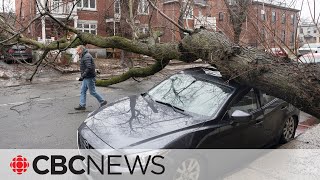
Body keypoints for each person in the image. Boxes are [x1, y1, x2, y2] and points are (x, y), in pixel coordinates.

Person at [74, 45, 107, 110]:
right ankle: (82, 105)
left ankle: (102, 101)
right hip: (86, 77)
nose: (77, 52)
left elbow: (88, 67)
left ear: (81, 50)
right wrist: (83, 76)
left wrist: (82, 76)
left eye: (77, 51)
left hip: (89, 77)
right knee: (83, 91)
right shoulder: (84, 56)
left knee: (92, 92)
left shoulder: (87, 56)